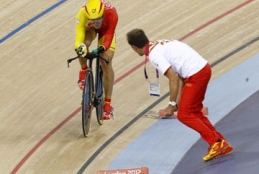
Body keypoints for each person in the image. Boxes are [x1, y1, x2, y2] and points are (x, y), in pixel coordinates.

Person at [126, 29, 233, 162]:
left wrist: (171, 105)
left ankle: (216, 143)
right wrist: (176, 103)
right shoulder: (160, 43)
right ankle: (220, 142)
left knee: (184, 115)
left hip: (196, 75)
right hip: (201, 69)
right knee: (193, 111)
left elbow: (173, 79)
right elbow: (180, 77)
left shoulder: (154, 55)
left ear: (134, 47)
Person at [74, 0, 118, 120]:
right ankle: (84, 70)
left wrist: (103, 47)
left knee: (105, 61)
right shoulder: (81, 15)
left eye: (98, 18)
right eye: (93, 20)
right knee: (83, 45)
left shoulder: (112, 14)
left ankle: (107, 104)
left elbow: (109, 34)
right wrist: (81, 47)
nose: (96, 22)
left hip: (106, 30)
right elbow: (78, 39)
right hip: (90, 30)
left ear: (103, 13)